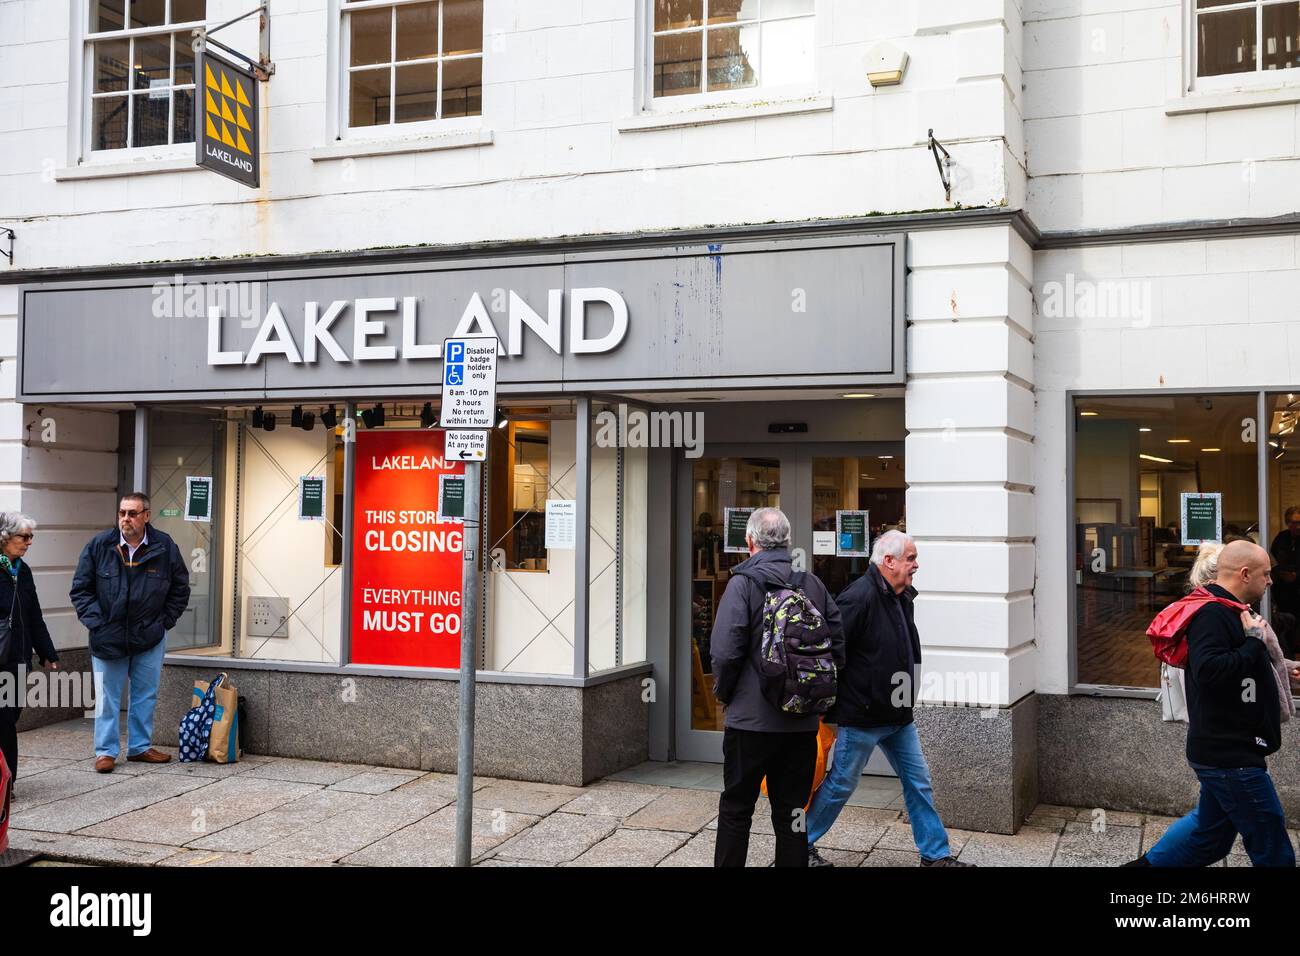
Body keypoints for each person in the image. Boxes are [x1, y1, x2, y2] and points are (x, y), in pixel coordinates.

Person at [805, 530, 971, 867]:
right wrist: (825, 703)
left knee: (918, 782)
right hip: (863, 714)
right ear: (888, 561)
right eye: (910, 558)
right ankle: (798, 844)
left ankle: (935, 855)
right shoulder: (859, 597)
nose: (916, 565)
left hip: (898, 714)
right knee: (840, 784)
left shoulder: (901, 595)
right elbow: (830, 650)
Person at [1129, 540, 1295, 867]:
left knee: (1209, 839)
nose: (1271, 581)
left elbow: (1240, 662)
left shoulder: (1229, 610)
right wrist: (1253, 643)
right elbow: (1210, 671)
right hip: (1231, 755)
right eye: (1266, 574)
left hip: (1228, 751)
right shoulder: (1213, 614)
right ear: (1246, 574)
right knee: (1271, 843)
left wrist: (1284, 668)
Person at [710, 507, 844, 867]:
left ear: (749, 541)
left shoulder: (742, 584)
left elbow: (725, 652)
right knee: (792, 814)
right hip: (800, 724)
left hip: (749, 724)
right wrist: (813, 696)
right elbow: (837, 646)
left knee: (737, 808)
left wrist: (724, 694)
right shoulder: (812, 584)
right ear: (786, 541)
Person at [70, 493, 190, 773]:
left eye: (133, 513)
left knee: (145, 693)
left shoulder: (164, 546)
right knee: (107, 697)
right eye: (122, 513)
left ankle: (139, 747)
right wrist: (97, 623)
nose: (126, 519)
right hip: (108, 635)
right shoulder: (100, 545)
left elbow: (180, 588)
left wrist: (163, 622)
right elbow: (81, 589)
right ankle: (106, 752)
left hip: (149, 636)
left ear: (146, 516)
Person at [0, 513, 59, 801]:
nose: (29, 542)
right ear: (4, 537)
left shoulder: (23, 571)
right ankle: (6, 783)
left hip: (18, 660)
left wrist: (47, 652)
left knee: (10, 717)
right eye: (24, 537)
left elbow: (34, 615)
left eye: (31, 537)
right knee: (3, 722)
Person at [1268, 506, 1300, 619]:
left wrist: (1296, 576)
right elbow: (1271, 557)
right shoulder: (1282, 537)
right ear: (1287, 523)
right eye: (1294, 523)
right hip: (1281, 588)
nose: (1298, 526)